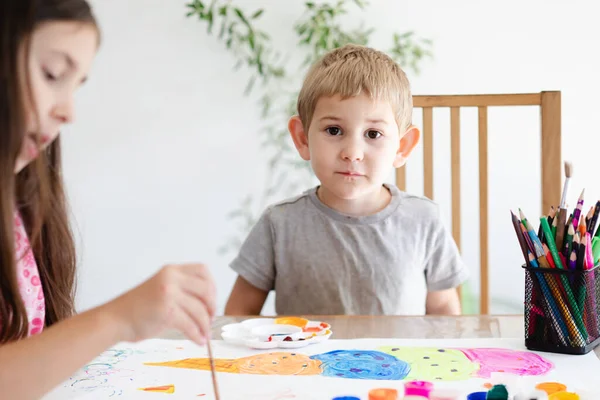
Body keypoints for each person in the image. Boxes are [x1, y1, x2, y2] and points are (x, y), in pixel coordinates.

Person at [0, 1, 216, 398]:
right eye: (53, 74)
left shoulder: (19, 209)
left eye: (76, 84)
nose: (68, 112)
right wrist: (120, 318)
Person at [225, 44, 469, 317]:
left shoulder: (424, 219)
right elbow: (239, 312)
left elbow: (444, 310)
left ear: (402, 147)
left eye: (373, 134)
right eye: (334, 130)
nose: (352, 153)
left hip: (400, 359)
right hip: (305, 360)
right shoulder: (279, 223)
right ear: (303, 139)